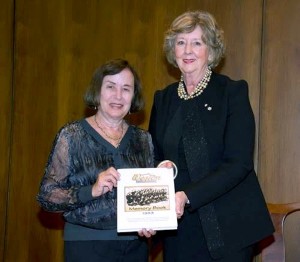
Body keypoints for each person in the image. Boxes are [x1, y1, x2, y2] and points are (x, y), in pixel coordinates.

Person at [148, 10, 274, 261]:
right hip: (178, 229)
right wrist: (151, 210)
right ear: (173, 51)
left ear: (211, 50)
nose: (187, 50)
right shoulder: (163, 99)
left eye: (197, 42)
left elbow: (239, 164)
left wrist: (187, 196)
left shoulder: (231, 92)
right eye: (180, 43)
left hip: (228, 224)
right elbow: (154, 160)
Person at [37, 58, 155, 262]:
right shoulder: (71, 135)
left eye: (126, 89)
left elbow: (148, 196)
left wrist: (150, 220)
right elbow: (47, 197)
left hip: (135, 248)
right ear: (97, 91)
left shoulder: (143, 140)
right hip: (87, 247)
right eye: (111, 87)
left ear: (133, 96)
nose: (118, 96)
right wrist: (90, 190)